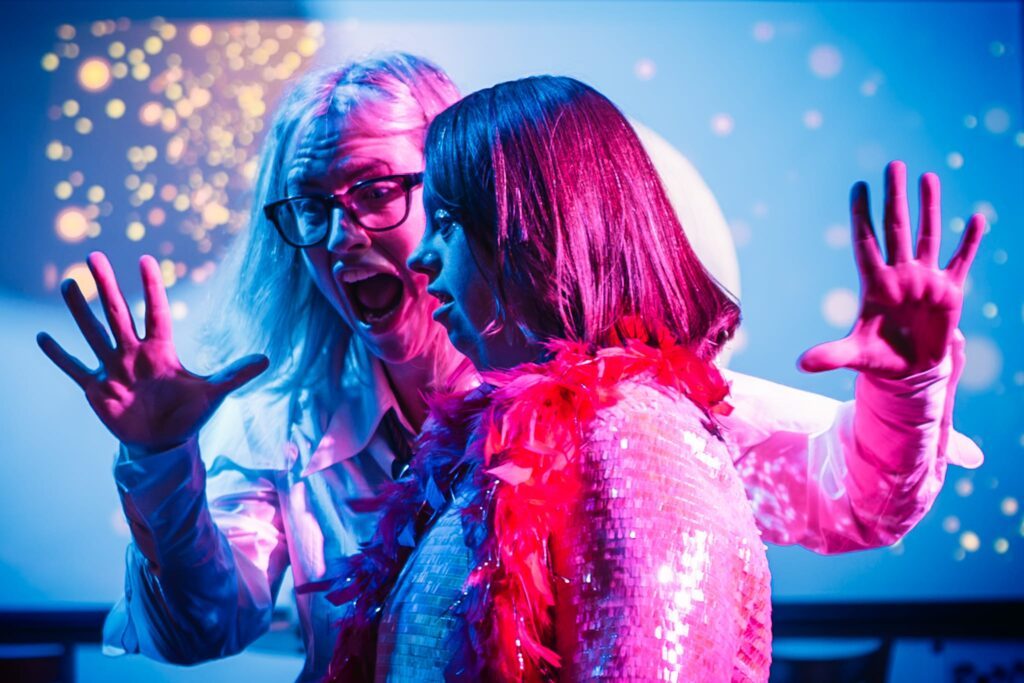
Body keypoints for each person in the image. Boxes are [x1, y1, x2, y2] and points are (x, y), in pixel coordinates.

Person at [36, 55, 980, 681]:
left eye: (377, 192)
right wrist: (158, 460)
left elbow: (858, 501)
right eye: (309, 208)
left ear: (483, 196)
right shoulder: (283, 426)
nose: (336, 236)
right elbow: (199, 629)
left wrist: (909, 378)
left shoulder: (634, 417)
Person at [321, 75, 985, 681]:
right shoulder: (512, 432)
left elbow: (856, 495)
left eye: (445, 222)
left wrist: (909, 385)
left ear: (532, 233)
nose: (423, 257)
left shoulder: (636, 438)